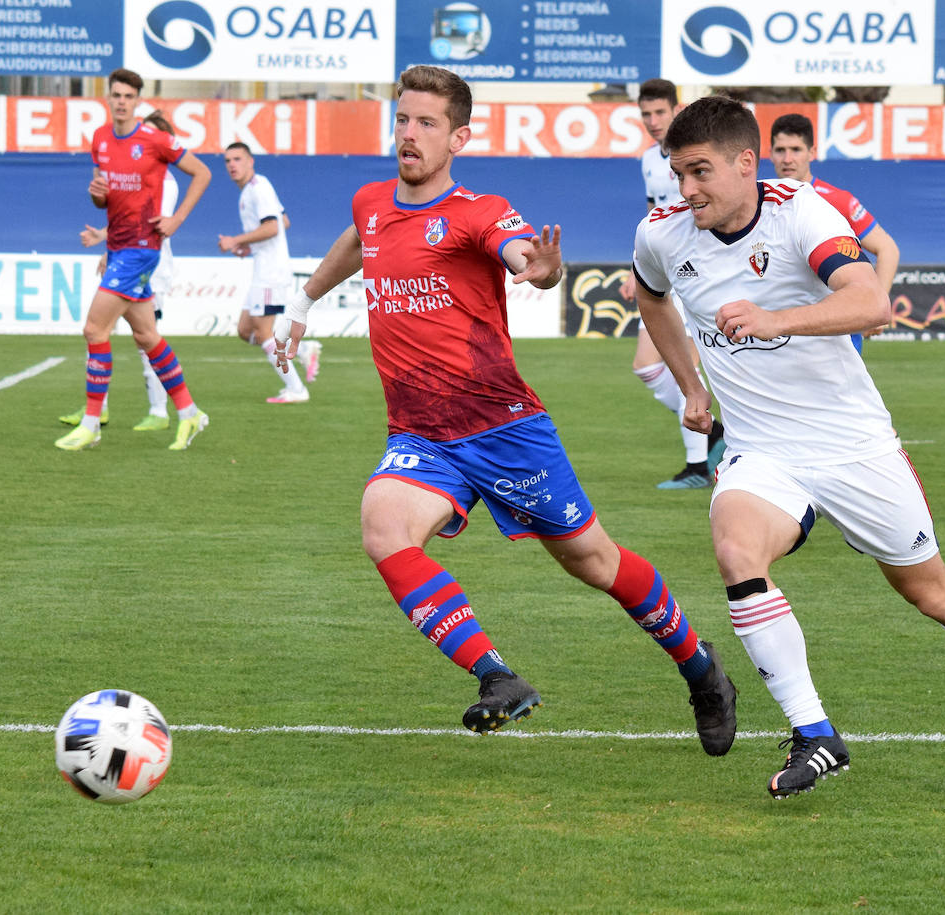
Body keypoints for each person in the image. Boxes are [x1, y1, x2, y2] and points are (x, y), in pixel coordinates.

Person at [631, 95, 945, 797]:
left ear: (745, 163)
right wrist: (691, 386)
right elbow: (651, 296)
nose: (685, 189)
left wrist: (772, 318)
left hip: (853, 444)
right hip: (763, 449)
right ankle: (815, 733)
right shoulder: (662, 235)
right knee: (735, 548)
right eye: (677, 172)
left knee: (933, 592)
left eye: (699, 172)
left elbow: (871, 302)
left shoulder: (802, 214)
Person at [273, 65, 737, 751]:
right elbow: (357, 238)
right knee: (382, 525)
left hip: (505, 429)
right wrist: (302, 301)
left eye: (427, 123)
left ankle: (701, 667)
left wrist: (539, 267)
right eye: (403, 118)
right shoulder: (372, 202)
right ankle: (498, 677)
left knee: (595, 562)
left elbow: (523, 253)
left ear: (459, 136)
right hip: (423, 436)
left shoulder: (478, 211)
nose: (409, 133)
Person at [55, 68, 211, 452]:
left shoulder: (155, 140)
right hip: (119, 248)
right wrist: (96, 194)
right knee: (146, 335)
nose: (121, 100)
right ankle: (190, 413)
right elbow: (103, 198)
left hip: (143, 249)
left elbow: (202, 173)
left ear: (137, 101)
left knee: (94, 330)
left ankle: (92, 423)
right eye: (116, 94)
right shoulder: (101, 139)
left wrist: (177, 219)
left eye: (128, 95)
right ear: (109, 98)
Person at [618, 79, 725, 490]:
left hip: (696, 272)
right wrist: (637, 267)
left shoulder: (699, 151)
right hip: (664, 273)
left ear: (676, 109)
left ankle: (698, 466)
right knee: (646, 367)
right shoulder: (649, 159)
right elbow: (652, 217)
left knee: (688, 368)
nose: (653, 121)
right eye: (646, 114)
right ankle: (715, 431)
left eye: (660, 112)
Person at [59, 110, 178, 433]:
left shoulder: (164, 181)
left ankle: (159, 410)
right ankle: (97, 409)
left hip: (151, 266)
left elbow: (148, 224)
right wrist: (107, 244)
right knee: (101, 331)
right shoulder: (138, 175)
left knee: (143, 338)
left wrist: (106, 243)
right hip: (128, 258)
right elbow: (125, 217)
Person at [768, 113, 900, 352]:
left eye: (796, 149)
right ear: (770, 153)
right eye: (780, 150)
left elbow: (887, 247)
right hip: (781, 336)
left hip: (836, 340)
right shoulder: (762, 202)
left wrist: (875, 302)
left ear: (812, 152)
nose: (787, 159)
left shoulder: (838, 200)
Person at [217, 142, 321, 403]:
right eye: (228, 160)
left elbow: (274, 227)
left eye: (237, 159)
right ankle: (305, 349)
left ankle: (297, 390)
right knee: (245, 330)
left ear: (251, 161)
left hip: (270, 271)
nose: (232, 165)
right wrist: (248, 245)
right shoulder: (254, 189)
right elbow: (283, 220)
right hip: (263, 268)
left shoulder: (258, 189)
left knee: (263, 332)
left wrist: (236, 240)